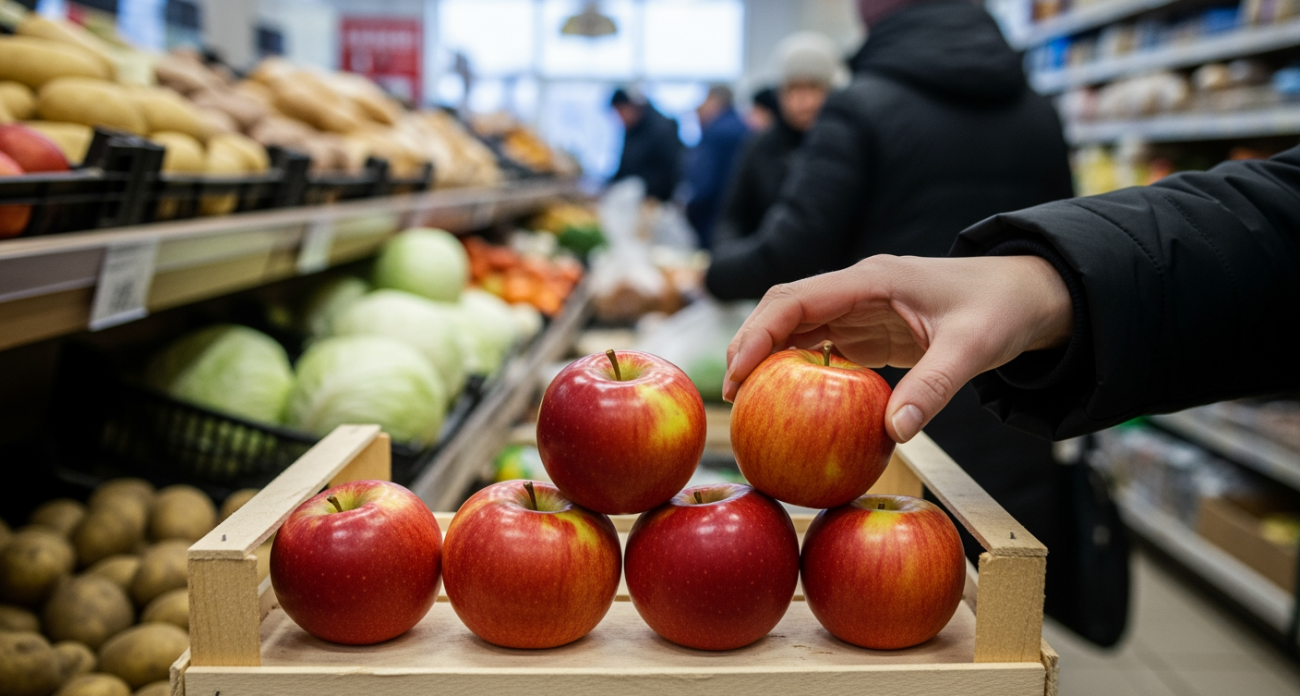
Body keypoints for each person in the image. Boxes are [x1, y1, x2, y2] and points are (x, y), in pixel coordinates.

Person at [722, 145, 1300, 445]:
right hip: (986, 368)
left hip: (950, 358)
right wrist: (1050, 281)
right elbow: (1280, 218)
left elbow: (799, 234)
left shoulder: (855, 108)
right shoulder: (1034, 102)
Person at [712, 32, 845, 248]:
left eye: (813, 87)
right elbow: (732, 219)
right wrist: (734, 263)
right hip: (768, 267)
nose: (803, 101)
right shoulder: (760, 147)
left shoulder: (848, 146)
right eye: (793, 88)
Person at [684, 86, 750, 248]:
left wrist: (689, 211)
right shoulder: (743, 127)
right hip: (741, 219)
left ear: (715, 101)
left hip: (713, 218)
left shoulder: (717, 132)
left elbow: (704, 184)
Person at [609, 88, 684, 203]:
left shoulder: (663, 129)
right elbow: (624, 167)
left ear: (631, 106)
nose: (619, 118)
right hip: (632, 198)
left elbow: (671, 171)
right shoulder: (631, 129)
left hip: (657, 201)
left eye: (620, 111)